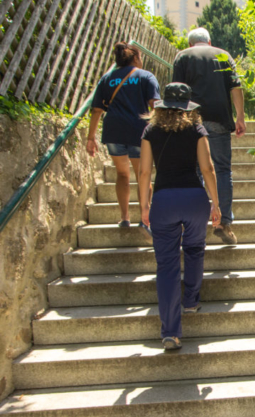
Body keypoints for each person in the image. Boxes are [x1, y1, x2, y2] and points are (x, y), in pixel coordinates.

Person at [138, 83, 222, 350]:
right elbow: (208, 168)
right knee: (195, 248)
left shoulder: (150, 130)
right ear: (189, 106)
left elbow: (143, 173)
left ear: (163, 106)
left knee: (167, 266)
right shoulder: (197, 129)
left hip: (163, 201)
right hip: (194, 198)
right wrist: (216, 204)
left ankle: (171, 333)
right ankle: (191, 301)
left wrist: (143, 206)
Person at [171, 27, 246, 245]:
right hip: (219, 119)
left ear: (190, 43)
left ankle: (194, 224)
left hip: (191, 120)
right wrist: (240, 117)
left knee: (193, 171)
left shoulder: (182, 56)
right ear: (209, 41)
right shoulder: (223, 55)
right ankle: (224, 223)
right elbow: (236, 86)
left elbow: (176, 92)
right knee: (222, 170)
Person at [86, 42, 160, 235]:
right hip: (139, 131)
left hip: (113, 130)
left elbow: (96, 110)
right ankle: (145, 218)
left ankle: (125, 218)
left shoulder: (107, 78)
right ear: (135, 57)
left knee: (121, 174)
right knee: (142, 175)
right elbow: (155, 105)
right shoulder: (146, 77)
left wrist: (90, 137)